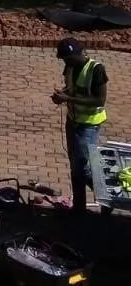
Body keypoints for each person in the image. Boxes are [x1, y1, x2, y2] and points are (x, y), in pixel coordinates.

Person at [52, 38, 107, 214]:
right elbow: (71, 88)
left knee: (83, 168)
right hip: (72, 121)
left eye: (68, 58)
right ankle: (79, 208)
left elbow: (99, 100)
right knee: (75, 166)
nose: (65, 62)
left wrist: (69, 99)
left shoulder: (96, 69)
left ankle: (107, 198)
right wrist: (63, 94)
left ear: (78, 53)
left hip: (89, 125)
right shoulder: (70, 66)